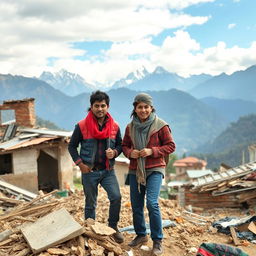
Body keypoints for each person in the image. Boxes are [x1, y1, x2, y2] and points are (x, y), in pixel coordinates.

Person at [122, 93, 175, 255]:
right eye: (140, 107)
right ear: (135, 109)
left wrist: (152, 151)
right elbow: (124, 146)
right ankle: (141, 235)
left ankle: (157, 240)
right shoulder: (130, 127)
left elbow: (171, 146)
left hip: (155, 168)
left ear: (151, 108)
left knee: (152, 203)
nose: (143, 110)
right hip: (135, 170)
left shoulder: (161, 126)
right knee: (136, 204)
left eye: (146, 107)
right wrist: (131, 153)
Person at [68, 90, 124, 243]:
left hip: (108, 171)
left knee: (116, 197)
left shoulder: (115, 126)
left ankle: (113, 228)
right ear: (91, 107)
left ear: (108, 107)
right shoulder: (82, 126)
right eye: (97, 106)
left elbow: (121, 145)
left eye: (103, 106)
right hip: (89, 171)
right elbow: (72, 147)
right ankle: (90, 231)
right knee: (90, 203)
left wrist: (115, 152)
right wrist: (80, 164)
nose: (100, 109)